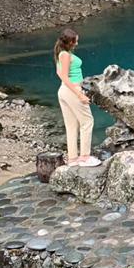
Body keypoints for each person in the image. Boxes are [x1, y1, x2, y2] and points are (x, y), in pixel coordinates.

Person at [54, 28, 99, 166]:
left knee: (71, 125)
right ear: (70, 41)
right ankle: (85, 157)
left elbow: (58, 72)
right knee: (87, 121)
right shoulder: (65, 55)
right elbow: (64, 76)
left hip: (64, 90)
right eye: (75, 41)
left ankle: (73, 159)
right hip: (72, 90)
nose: (77, 43)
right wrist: (80, 94)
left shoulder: (61, 53)